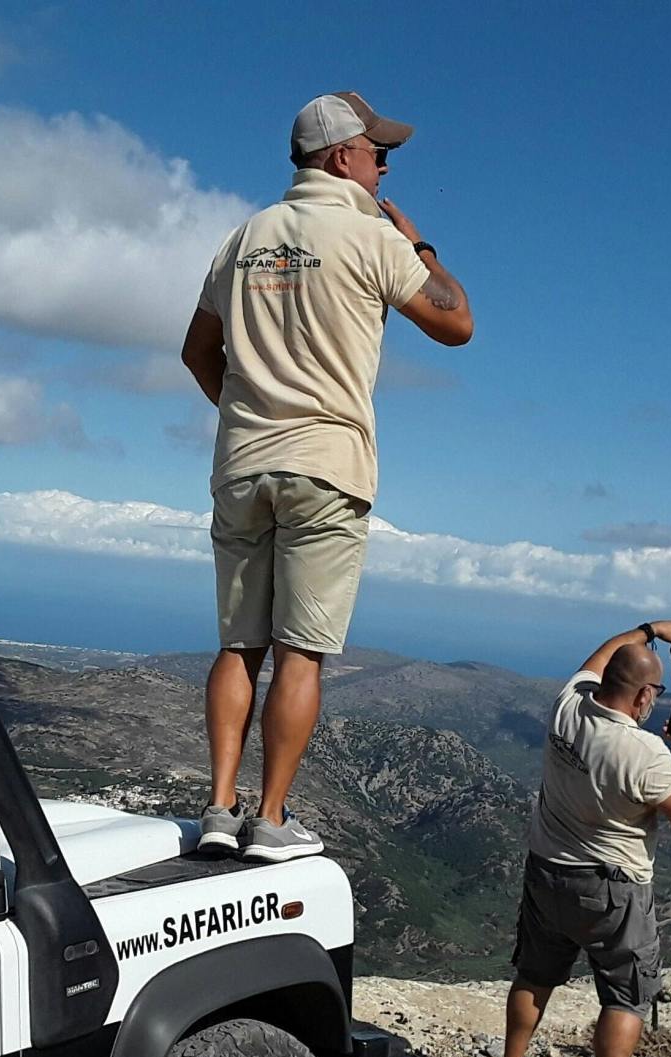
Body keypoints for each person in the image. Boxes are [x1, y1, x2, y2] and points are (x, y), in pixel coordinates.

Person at [180, 92, 473, 863]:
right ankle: (270, 821)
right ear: (343, 156)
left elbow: (196, 353)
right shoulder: (373, 237)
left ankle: (218, 809)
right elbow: (456, 324)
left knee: (237, 646)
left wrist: (251, 413)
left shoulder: (243, 238)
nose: (385, 169)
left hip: (242, 463)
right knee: (299, 652)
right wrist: (424, 249)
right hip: (328, 467)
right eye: (380, 155)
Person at [490, 621, 671, 1057]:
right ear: (643, 696)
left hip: (546, 870)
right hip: (612, 888)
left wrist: (646, 630)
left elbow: (599, 658)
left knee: (535, 975)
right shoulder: (643, 753)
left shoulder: (567, 706)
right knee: (625, 995)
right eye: (653, 693)